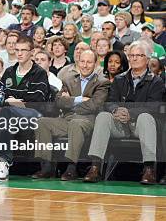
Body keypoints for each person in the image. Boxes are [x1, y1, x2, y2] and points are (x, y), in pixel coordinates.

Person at [84, 42, 164, 184]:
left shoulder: (155, 81)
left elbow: (153, 107)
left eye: (138, 55)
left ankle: (149, 170)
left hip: (141, 126)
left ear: (147, 58)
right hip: (120, 124)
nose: (134, 59)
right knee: (103, 116)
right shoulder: (120, 79)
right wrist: (115, 110)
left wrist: (130, 113)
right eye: (131, 55)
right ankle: (95, 167)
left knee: (146, 117)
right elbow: (109, 102)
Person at [0, 34, 51, 181]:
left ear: (31, 52)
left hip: (34, 115)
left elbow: (36, 101)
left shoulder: (39, 73)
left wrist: (11, 101)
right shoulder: (9, 72)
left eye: (23, 50)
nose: (19, 53)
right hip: (9, 112)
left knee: (6, 111)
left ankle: (3, 160)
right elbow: (0, 97)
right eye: (17, 50)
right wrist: (15, 101)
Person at [33, 50, 110, 180]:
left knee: (76, 124)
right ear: (78, 62)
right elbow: (58, 101)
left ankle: (71, 167)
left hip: (87, 121)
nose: (85, 65)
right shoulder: (68, 80)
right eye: (82, 61)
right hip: (66, 119)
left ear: (95, 64)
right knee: (42, 122)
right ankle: (46, 167)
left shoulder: (102, 82)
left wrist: (69, 101)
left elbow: (94, 105)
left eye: (89, 62)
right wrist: (79, 99)